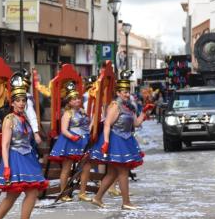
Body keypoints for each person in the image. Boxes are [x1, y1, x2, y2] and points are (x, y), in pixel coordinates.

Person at [0, 73, 48, 219]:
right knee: (13, 194)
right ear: (12, 102)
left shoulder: (25, 118)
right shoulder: (9, 119)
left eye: (24, 100)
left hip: (27, 157)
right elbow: (5, 145)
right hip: (15, 158)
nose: (21, 103)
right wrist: (6, 166)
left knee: (32, 191)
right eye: (18, 100)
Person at [89, 76, 153, 209]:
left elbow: (136, 123)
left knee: (113, 173)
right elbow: (107, 124)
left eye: (128, 91)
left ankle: (97, 198)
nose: (127, 94)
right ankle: (126, 202)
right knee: (123, 171)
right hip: (116, 140)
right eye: (124, 91)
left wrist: (145, 112)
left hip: (126, 139)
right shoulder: (115, 105)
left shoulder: (129, 107)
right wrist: (106, 142)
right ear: (118, 93)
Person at [49, 88, 92, 202]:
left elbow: (87, 125)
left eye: (78, 98)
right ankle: (63, 193)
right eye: (74, 99)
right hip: (70, 141)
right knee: (67, 168)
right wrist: (72, 137)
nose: (77, 100)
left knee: (86, 166)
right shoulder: (67, 113)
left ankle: (82, 192)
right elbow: (64, 130)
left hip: (84, 140)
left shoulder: (83, 111)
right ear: (69, 102)